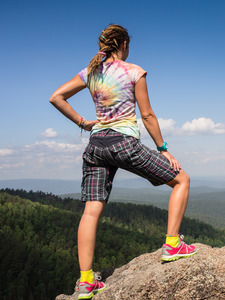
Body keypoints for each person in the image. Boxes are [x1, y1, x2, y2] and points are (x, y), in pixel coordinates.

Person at [50, 24, 196, 299]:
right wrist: (163, 148)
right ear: (124, 44)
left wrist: (83, 122)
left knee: (91, 212)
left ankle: (85, 282)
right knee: (182, 180)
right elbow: (148, 115)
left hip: (95, 146)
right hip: (123, 143)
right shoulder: (133, 71)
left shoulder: (91, 72)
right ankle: (173, 245)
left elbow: (56, 97)